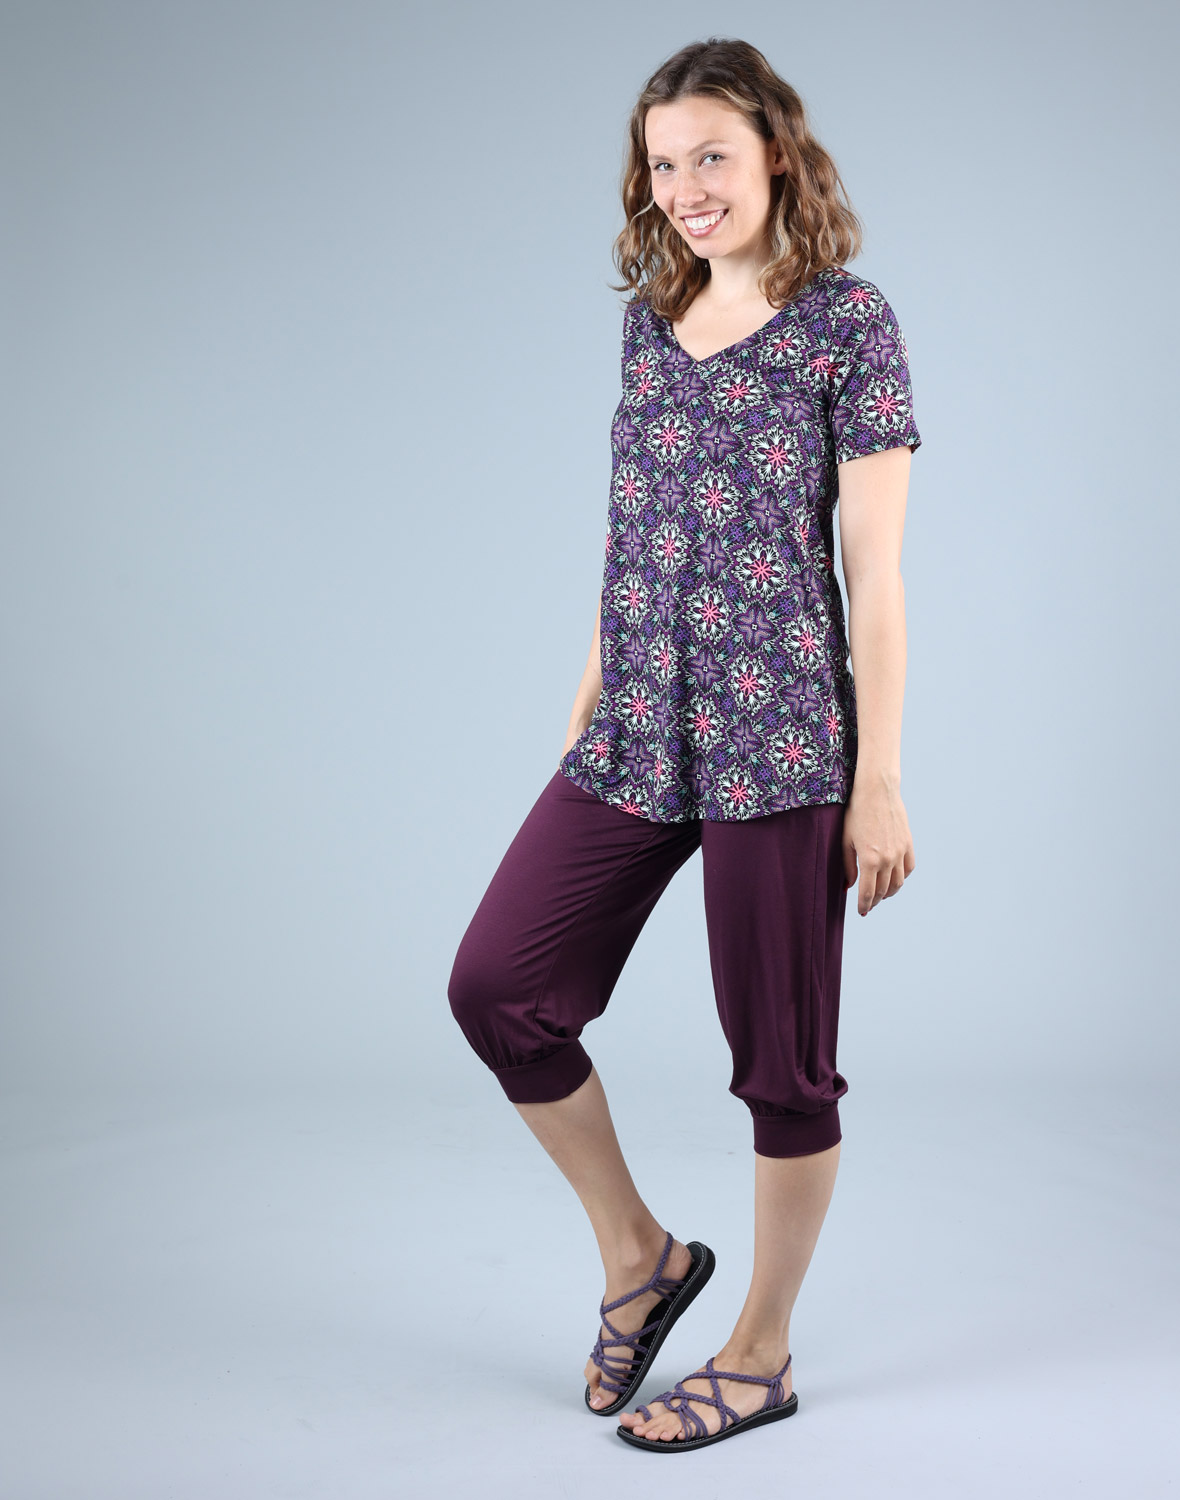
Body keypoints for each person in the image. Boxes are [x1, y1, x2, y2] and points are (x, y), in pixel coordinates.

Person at [447, 35, 921, 1452]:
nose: (687, 187)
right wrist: (594, 681)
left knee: (783, 1065)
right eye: (663, 165)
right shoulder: (652, 320)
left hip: (780, 734)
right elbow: (636, 524)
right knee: (499, 988)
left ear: (776, 150)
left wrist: (880, 780)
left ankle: (759, 1353)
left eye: (712, 154)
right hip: (639, 723)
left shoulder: (848, 324)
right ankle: (641, 1256)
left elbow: (875, 576)